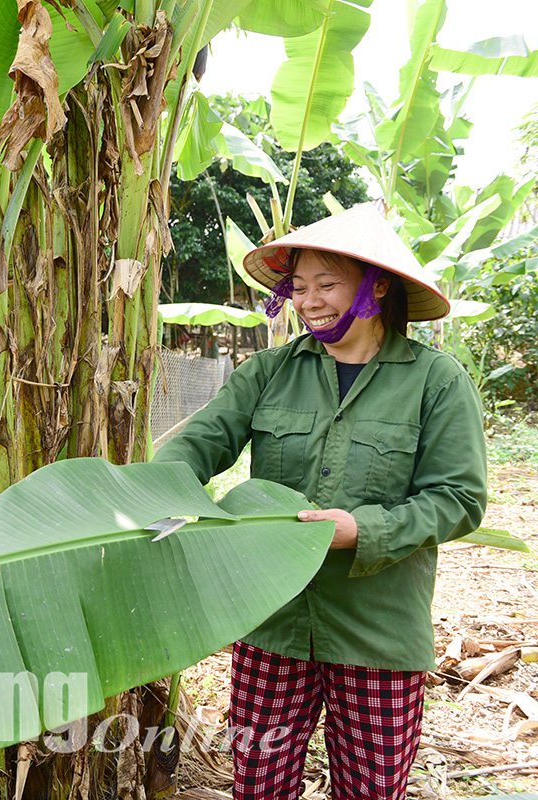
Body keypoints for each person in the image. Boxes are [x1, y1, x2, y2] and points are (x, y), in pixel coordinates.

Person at [152, 203, 488, 800]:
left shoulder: (436, 381)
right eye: (299, 286)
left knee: (368, 790)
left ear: (376, 285)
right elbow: (199, 444)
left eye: (327, 284)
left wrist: (361, 529)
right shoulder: (268, 372)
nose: (309, 302)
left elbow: (459, 498)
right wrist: (164, 494)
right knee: (259, 785)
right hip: (272, 623)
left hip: (377, 631)